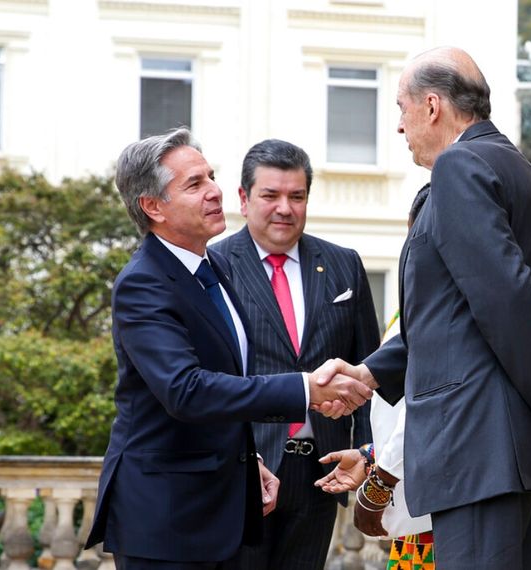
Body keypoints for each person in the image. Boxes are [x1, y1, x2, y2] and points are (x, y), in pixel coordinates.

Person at [317, 46, 531, 569]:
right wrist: (370, 373)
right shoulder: (516, 169)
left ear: (432, 106)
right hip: (510, 451)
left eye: (401, 107)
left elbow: (508, 303)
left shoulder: (459, 165)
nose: (399, 125)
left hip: (482, 451)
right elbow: (459, 316)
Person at [83, 128, 372, 568]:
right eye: (194, 184)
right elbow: (187, 390)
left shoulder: (210, 266)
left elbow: (229, 378)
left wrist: (247, 458)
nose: (214, 192)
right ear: (153, 206)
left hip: (227, 500)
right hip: (166, 518)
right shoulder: (143, 282)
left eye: (211, 177)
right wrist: (304, 389)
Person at [210, 138, 380, 570]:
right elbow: (208, 379)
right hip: (245, 469)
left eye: (297, 196)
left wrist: (367, 452)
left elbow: (369, 367)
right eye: (271, 195)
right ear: (244, 198)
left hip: (322, 472)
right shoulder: (214, 267)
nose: (284, 208)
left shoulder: (344, 264)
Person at [314, 183, 435, 569]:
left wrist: (381, 481)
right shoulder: (412, 311)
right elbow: (400, 414)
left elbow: (428, 410)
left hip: (448, 511)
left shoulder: (458, 310)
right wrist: (371, 457)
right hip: (414, 512)